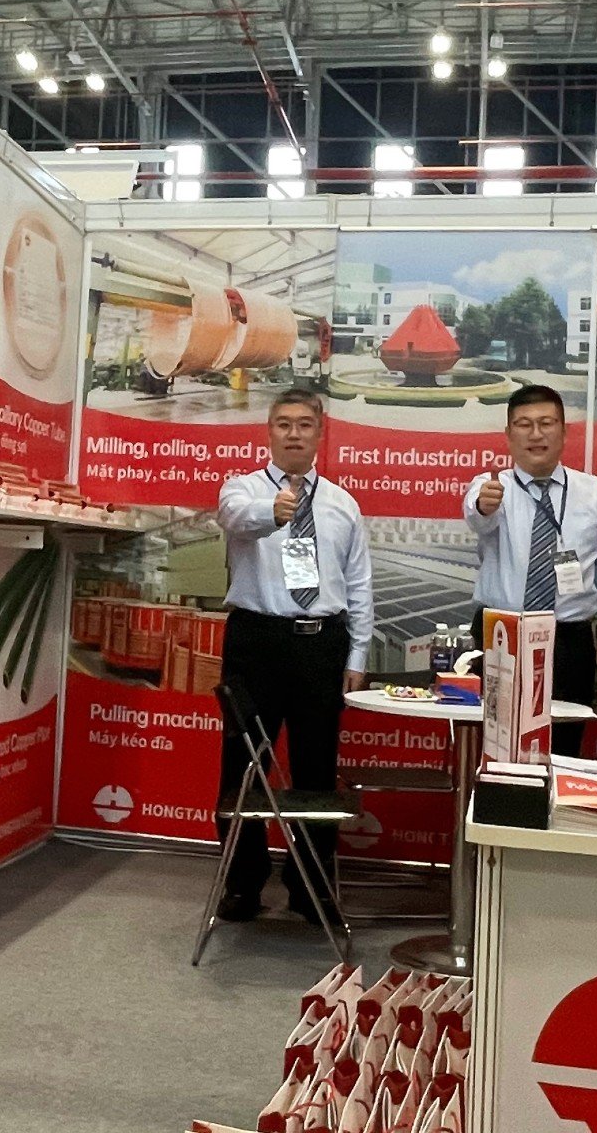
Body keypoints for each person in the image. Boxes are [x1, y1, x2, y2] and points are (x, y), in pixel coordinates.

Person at [214, 389, 372, 923]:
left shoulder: (342, 504)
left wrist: (357, 655)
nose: (294, 433)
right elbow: (235, 518)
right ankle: (242, 883)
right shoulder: (242, 489)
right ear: (269, 431)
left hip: (320, 644)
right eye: (284, 424)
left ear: (320, 434)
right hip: (256, 641)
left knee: (315, 769)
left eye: (305, 424)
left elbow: (359, 583)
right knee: (244, 766)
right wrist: (273, 512)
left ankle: (311, 886)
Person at [462, 384, 597, 756]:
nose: (536, 434)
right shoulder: (491, 486)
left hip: (568, 641)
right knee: (497, 749)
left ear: (564, 431)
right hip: (501, 635)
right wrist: (485, 505)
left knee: (563, 750)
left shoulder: (594, 492)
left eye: (546, 423)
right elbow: (478, 516)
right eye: (524, 424)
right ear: (508, 434)